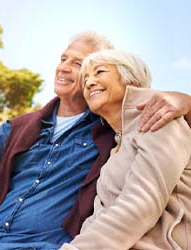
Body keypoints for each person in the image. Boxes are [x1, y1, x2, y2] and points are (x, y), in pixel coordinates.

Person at [0, 32, 191, 250]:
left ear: (130, 81)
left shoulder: (114, 131)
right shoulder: (15, 128)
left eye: (81, 65)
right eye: (63, 59)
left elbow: (141, 200)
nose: (64, 68)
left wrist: (187, 103)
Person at [60, 49, 191, 250]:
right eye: (86, 78)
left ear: (132, 80)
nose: (89, 82)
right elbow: (100, 217)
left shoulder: (159, 118)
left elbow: (142, 203)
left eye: (100, 72)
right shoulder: (115, 149)